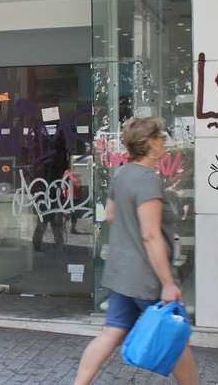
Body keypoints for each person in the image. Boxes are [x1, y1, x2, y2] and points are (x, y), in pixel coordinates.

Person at [74, 117, 197, 385]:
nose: (165, 141)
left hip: (122, 275)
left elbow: (110, 214)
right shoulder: (147, 180)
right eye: (161, 137)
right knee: (175, 338)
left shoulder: (123, 173)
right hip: (147, 278)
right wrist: (167, 283)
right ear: (149, 143)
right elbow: (150, 234)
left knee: (111, 333)